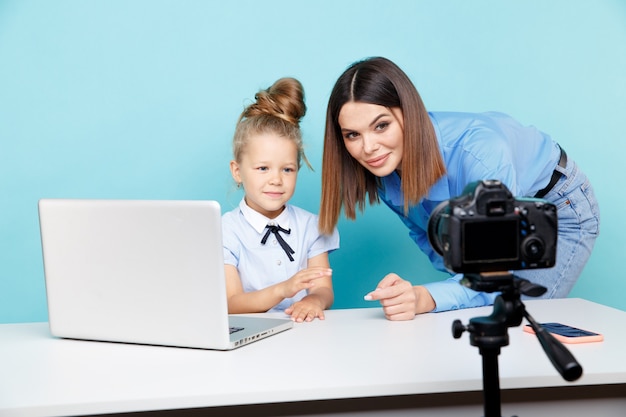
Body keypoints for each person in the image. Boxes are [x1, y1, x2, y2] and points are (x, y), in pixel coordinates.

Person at [318, 57, 600, 321]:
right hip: (503, 224)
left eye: (381, 126)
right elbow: (425, 233)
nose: (368, 148)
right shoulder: (383, 167)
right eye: (352, 135)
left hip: (558, 210)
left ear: (409, 113)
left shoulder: (481, 153)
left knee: (520, 321)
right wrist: (460, 284)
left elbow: (497, 269)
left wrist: (424, 297)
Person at [222, 77, 339, 322]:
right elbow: (232, 303)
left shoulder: (311, 226)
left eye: (287, 169)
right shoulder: (225, 231)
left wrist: (312, 300)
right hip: (247, 340)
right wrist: (283, 290)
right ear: (237, 171)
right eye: (263, 168)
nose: (276, 179)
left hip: (302, 336)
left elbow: (323, 289)